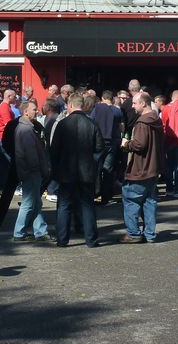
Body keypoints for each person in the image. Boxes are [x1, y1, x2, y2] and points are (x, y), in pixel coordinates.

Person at [51, 94, 104, 247]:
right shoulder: (92, 123)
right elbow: (100, 148)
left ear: (71, 105)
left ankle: (62, 239)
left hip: (66, 171)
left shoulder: (62, 124)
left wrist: (56, 169)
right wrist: (91, 161)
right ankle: (91, 240)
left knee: (64, 206)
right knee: (87, 205)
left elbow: (54, 150)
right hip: (86, 171)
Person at [120, 92, 165, 243]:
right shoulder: (156, 119)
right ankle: (150, 234)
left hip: (141, 169)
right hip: (153, 168)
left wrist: (126, 144)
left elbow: (139, 144)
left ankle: (133, 234)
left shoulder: (142, 123)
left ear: (143, 103)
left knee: (131, 199)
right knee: (149, 201)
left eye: (134, 103)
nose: (132, 106)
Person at [12, 100, 52, 242]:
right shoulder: (26, 130)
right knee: (29, 203)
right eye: (34, 109)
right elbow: (31, 154)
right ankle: (20, 232)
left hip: (29, 170)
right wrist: (40, 168)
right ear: (25, 112)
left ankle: (40, 231)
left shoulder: (25, 128)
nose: (37, 111)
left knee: (35, 202)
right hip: (31, 171)